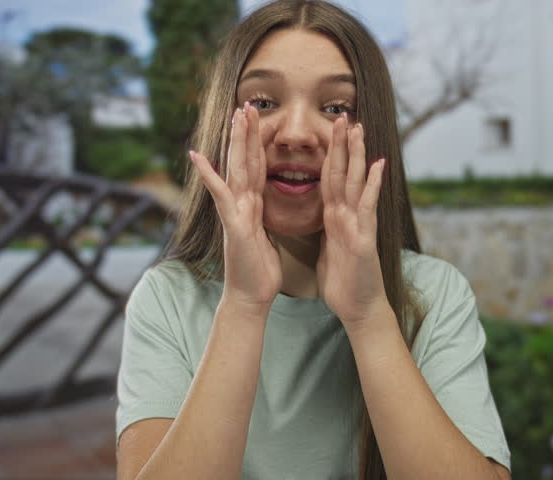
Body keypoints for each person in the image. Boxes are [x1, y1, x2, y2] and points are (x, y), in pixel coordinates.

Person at [115, 1, 511, 479]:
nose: (298, 134)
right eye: (262, 102)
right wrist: (243, 304)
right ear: (225, 122)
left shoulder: (434, 294)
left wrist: (368, 317)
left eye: (336, 107)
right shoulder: (167, 299)